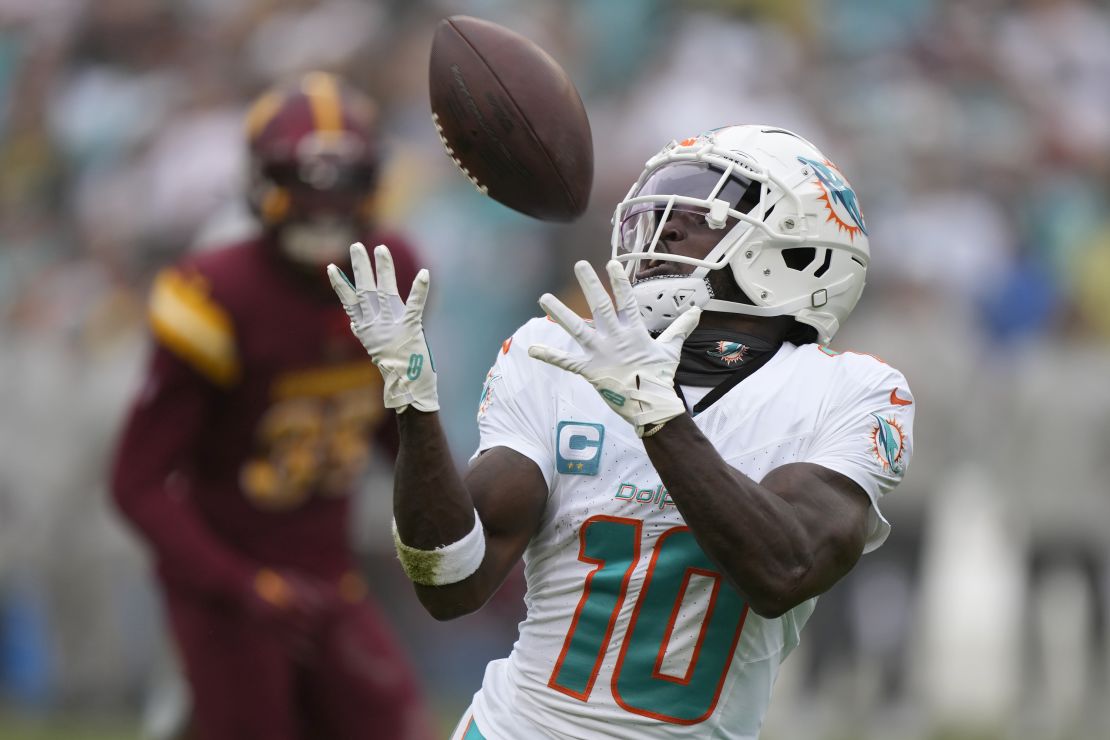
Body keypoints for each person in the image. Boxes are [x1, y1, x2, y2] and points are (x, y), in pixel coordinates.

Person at [329, 124, 915, 739]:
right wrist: (413, 402)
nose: (666, 228)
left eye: (702, 213)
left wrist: (658, 417)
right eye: (661, 210)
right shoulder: (555, 353)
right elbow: (449, 583)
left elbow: (783, 571)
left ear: (797, 255)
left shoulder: (851, 392)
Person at [111, 72, 429, 740]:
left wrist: (461, 507)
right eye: (304, 183)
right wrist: (238, 583)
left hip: (329, 574)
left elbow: (395, 432)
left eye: (343, 184)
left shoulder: (388, 266)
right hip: (231, 587)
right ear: (261, 182)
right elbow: (136, 482)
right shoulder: (217, 292)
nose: (324, 206)